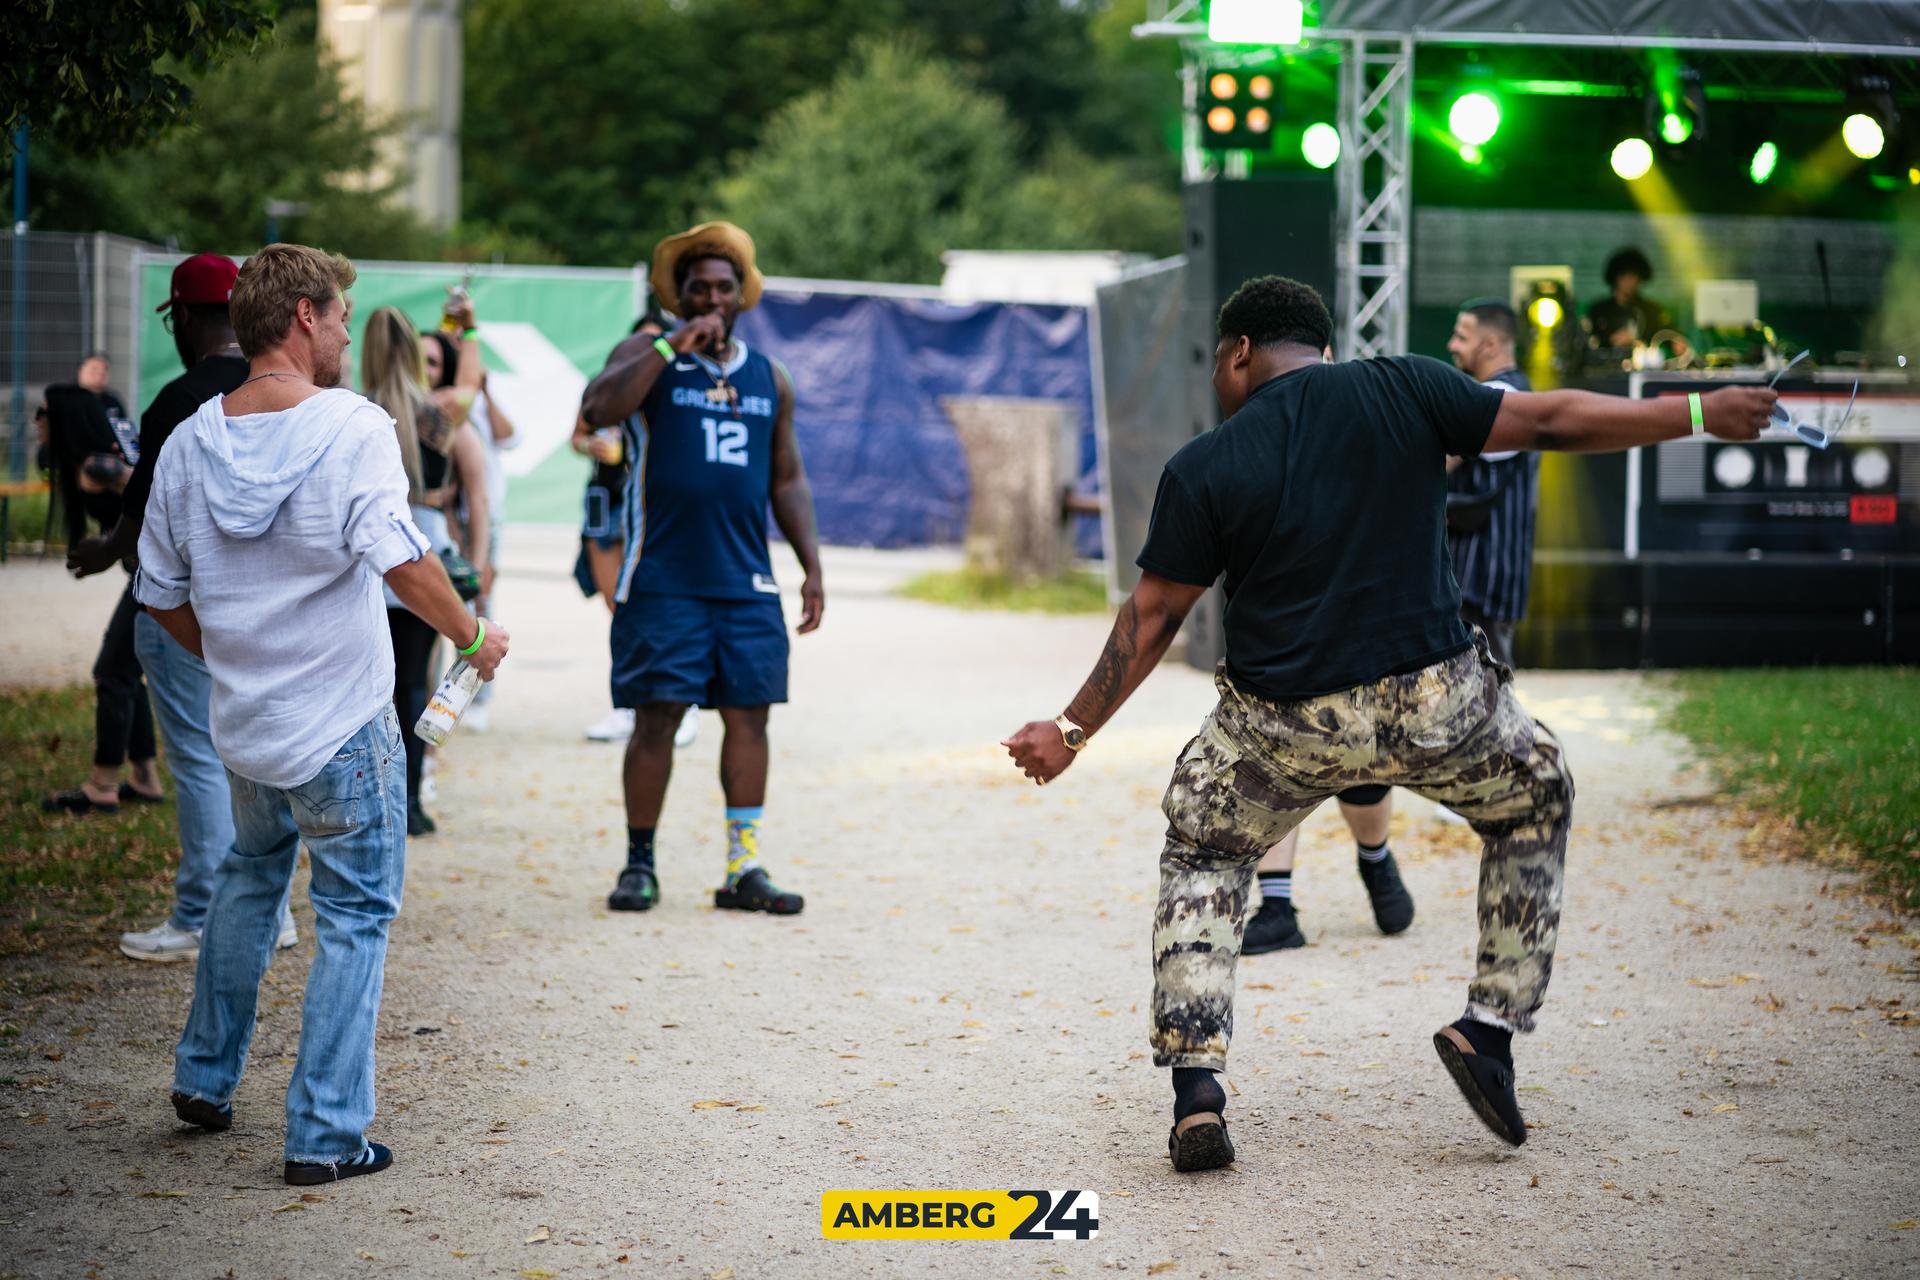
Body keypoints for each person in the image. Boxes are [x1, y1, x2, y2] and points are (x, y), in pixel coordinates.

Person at [1002, 275, 1773, 1172]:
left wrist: (1070, 730)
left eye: (1220, 358)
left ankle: (1197, 1095)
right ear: (1324, 348)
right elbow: (1551, 420)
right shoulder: (1406, 385)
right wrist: (1694, 413)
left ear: (1241, 352)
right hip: (1437, 703)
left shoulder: (1205, 464)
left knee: (1205, 852)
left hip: (1284, 724)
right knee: (1536, 796)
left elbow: (1152, 618)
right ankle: (1489, 1033)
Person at [134, 242, 509, 1185]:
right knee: (352, 915)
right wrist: (471, 639)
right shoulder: (353, 426)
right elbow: (401, 556)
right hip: (342, 726)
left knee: (248, 883)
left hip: (249, 732)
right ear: (303, 315)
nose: (347, 330)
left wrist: (234, 657)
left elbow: (159, 592)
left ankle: (206, 1078)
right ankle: (327, 1132)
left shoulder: (190, 441)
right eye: (340, 315)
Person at [1244, 300, 1540, 956]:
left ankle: (1385, 853)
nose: (1454, 343)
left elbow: (1458, 476)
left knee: (1375, 747)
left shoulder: (1490, 398)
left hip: (1443, 591)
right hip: (1325, 607)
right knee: (1279, 746)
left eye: (1464, 334)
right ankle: (1279, 904)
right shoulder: (1271, 418)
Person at [580, 221, 823, 916]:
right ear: (680, 296)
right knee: (655, 719)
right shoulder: (648, 352)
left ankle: (743, 868)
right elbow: (598, 410)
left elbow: (788, 479)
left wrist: (811, 566)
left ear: (742, 296)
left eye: (724, 288)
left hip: (745, 581)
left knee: (751, 718)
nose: (712, 299)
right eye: (698, 289)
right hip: (662, 577)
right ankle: (639, 863)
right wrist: (665, 346)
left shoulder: (769, 376)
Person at [67, 253, 299, 962]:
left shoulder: (177, 402)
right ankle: (273, 913)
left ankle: (202, 912)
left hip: (184, 608)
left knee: (199, 761)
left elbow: (144, 518)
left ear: (188, 319)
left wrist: (108, 549)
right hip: (269, 609)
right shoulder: (296, 393)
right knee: (261, 763)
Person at [362, 305, 487, 837]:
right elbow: (471, 383)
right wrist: (468, 327)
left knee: (369, 685)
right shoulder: (438, 414)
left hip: (372, 549)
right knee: (416, 682)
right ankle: (410, 801)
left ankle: (372, 795)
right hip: (423, 544)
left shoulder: (356, 412)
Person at [574, 311, 698, 749]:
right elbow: (579, 434)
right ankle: (625, 704)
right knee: (618, 605)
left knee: (654, 602)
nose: (651, 351)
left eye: (659, 342)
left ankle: (682, 705)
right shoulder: (609, 385)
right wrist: (594, 446)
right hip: (603, 500)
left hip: (648, 505)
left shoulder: (679, 388)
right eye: (642, 344)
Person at [425, 325, 518, 733]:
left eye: (433, 362)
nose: (425, 370)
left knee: (476, 612)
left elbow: (479, 496)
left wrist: (478, 561)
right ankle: (431, 712)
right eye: (419, 360)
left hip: (464, 529)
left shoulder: (458, 416)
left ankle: (472, 697)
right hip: (433, 533)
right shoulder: (402, 409)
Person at [1585, 247, 1676, 350]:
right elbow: (1586, 339)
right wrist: (1610, 339)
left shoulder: (1652, 311)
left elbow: (1668, 333)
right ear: (1615, 278)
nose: (1629, 282)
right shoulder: (1598, 311)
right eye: (1624, 275)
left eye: (1633, 276)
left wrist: (1676, 341)